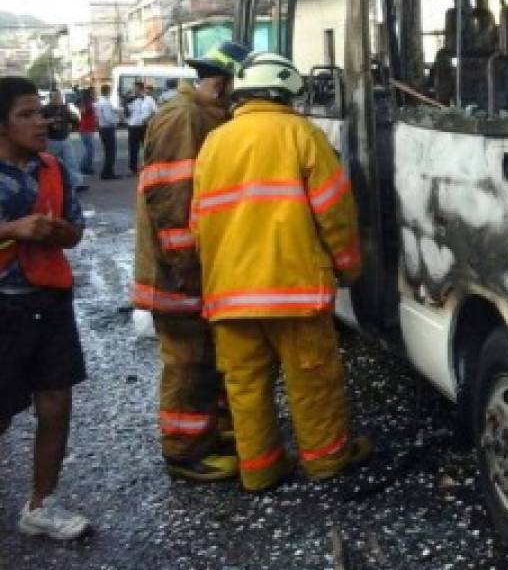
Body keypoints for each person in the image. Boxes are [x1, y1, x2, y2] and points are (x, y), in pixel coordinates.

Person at [192, 52, 370, 492]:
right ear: (285, 92)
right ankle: (325, 460)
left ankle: (260, 469)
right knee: (312, 378)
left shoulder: (214, 143)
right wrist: (348, 267)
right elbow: (335, 212)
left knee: (246, 386)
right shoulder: (301, 134)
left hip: (229, 295)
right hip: (293, 291)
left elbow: (198, 223)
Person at [132, 41, 250, 482]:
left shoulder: (199, 115)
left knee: (207, 356)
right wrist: (188, 270)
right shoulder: (184, 119)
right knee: (188, 359)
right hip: (177, 271)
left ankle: (208, 433)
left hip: (194, 266)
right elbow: (173, 201)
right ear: (222, 83)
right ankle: (183, 452)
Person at [0, 76, 90, 539]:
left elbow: (75, 233)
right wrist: (13, 229)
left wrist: (57, 234)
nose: (41, 121)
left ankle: (41, 504)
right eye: (26, 114)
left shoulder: (52, 166)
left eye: (41, 112)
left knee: (56, 401)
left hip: (50, 301)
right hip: (4, 308)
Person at [41, 90, 85, 193]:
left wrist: (75, 117)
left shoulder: (65, 108)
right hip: (51, 140)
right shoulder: (45, 109)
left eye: (60, 96)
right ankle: (49, 185)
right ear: (51, 98)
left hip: (65, 138)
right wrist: (51, 121)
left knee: (71, 162)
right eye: (56, 97)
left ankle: (76, 184)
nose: (59, 99)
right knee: (49, 164)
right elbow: (39, 123)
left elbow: (73, 120)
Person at [125, 82, 157, 174]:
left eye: (136, 89)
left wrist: (148, 118)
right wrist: (126, 105)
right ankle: (133, 169)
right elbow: (127, 114)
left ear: (141, 89)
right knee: (133, 149)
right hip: (133, 126)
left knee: (147, 148)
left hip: (144, 127)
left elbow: (155, 111)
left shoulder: (149, 99)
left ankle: (148, 167)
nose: (135, 91)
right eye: (134, 89)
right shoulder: (130, 99)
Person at [96, 84, 123, 180]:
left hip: (102, 128)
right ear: (107, 91)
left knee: (108, 151)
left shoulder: (100, 102)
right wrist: (117, 121)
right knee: (111, 152)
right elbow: (108, 117)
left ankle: (107, 171)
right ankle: (108, 173)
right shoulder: (106, 103)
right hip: (108, 128)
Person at [75, 88, 98, 178]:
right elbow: (83, 111)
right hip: (85, 129)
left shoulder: (89, 102)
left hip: (88, 129)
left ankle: (87, 167)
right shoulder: (87, 102)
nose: (95, 94)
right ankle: (84, 167)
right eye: (94, 92)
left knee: (89, 150)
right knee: (89, 150)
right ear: (90, 93)